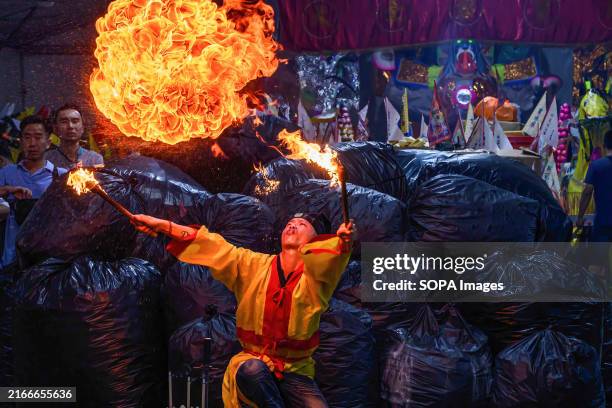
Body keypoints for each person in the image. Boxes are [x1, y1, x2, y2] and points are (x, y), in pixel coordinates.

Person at [131, 211, 355, 407]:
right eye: (290, 222)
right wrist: (160, 224)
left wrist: (342, 243)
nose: (292, 225)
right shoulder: (253, 266)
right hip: (253, 365)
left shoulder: (316, 280)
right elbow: (213, 246)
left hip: (295, 370)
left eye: (302, 224)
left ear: (315, 242)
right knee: (252, 371)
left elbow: (330, 262)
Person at [0, 115, 67, 267]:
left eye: (38, 137)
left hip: (49, 259)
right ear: (21, 142)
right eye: (27, 137)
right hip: (12, 259)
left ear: (48, 142)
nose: (32, 143)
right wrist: (8, 189)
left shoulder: (62, 176)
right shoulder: (7, 173)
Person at [577, 130, 612, 242]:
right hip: (603, 222)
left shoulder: (596, 166)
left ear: (604, 145)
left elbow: (587, 192)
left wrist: (580, 217)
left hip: (603, 221)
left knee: (600, 257)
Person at [45, 104, 104, 169]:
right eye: (64, 122)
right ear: (55, 129)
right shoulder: (46, 160)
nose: (70, 126)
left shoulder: (94, 159)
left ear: (83, 128)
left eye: (75, 121)